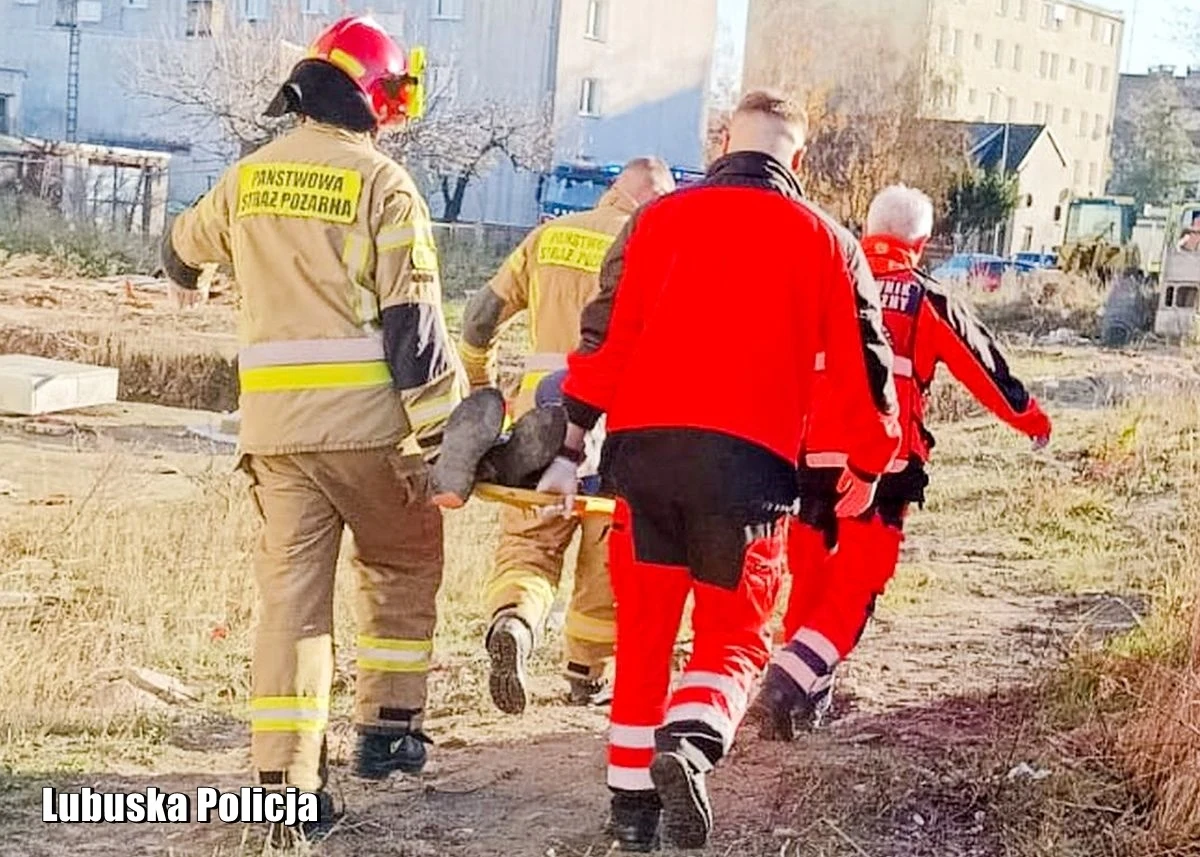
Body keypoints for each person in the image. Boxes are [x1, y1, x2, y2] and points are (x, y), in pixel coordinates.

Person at [538, 90, 902, 851]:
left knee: (641, 636)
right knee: (735, 636)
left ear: (721, 145)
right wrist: (867, 461)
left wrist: (572, 442)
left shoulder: (656, 221)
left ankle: (631, 811)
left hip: (640, 458)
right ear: (796, 159)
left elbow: (605, 337)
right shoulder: (829, 242)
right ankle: (693, 741)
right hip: (750, 467)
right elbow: (865, 373)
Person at [161, 16, 463, 840]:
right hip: (369, 433)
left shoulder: (247, 177)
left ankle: (283, 785)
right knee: (403, 559)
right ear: (375, 97)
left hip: (275, 437)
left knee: (292, 605)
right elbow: (414, 326)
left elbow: (180, 248)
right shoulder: (383, 185)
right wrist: (443, 441)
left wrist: (192, 278)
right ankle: (388, 729)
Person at [749, 184, 1052, 740]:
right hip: (883, 464)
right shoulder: (926, 300)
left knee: (811, 578)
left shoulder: (826, 284)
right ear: (923, 242)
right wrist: (1031, 420)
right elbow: (984, 368)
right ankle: (786, 684)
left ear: (867, 231)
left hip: (807, 459)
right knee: (855, 588)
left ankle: (801, 699)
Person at [434, 158, 676, 714]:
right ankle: (585, 674)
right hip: (616, 424)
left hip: (534, 424)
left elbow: (478, 319)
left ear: (614, 191)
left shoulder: (549, 235)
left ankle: (516, 620)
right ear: (654, 201)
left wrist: (481, 384)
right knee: (604, 554)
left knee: (528, 544)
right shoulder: (655, 243)